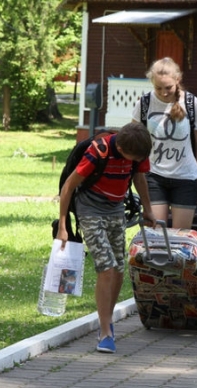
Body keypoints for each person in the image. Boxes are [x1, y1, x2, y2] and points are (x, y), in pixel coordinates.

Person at [57, 122, 156, 354]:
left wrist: (148, 209)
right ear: (121, 150)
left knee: (119, 268)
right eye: (132, 158)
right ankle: (105, 332)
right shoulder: (98, 151)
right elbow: (69, 186)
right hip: (90, 209)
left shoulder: (138, 150)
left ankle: (107, 318)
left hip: (115, 209)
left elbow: (140, 178)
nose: (136, 162)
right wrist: (63, 225)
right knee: (107, 267)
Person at [132, 57, 197, 229]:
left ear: (177, 80)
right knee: (156, 236)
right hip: (154, 176)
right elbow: (132, 139)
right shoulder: (144, 103)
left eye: (168, 88)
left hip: (186, 177)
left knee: (180, 239)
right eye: (158, 88)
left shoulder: (192, 104)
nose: (164, 92)